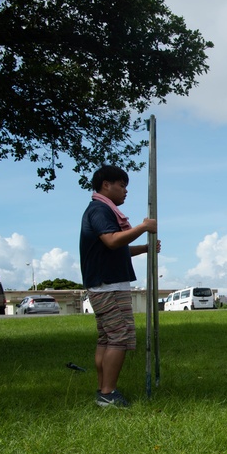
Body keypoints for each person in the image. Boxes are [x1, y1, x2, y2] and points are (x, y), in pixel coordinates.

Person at [79, 165, 159, 408]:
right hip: (107, 286)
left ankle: (103, 389)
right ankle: (108, 393)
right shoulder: (100, 209)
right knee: (118, 337)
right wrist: (143, 228)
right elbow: (112, 241)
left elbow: (117, 249)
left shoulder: (102, 209)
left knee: (106, 337)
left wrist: (145, 248)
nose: (125, 191)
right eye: (122, 185)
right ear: (106, 185)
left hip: (106, 283)